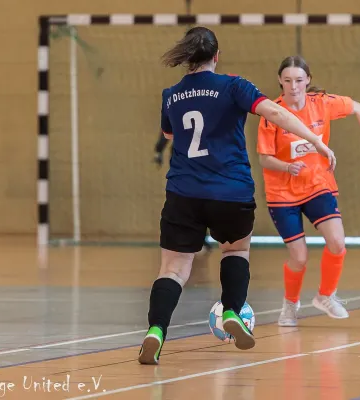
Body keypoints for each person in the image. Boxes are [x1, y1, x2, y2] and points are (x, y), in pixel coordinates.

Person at [138, 28, 338, 365]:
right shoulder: (234, 86)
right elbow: (275, 113)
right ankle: (231, 309)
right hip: (231, 191)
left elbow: (169, 133)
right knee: (236, 250)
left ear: (187, 57)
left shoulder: (171, 94)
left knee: (172, 269)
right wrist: (316, 141)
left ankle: (155, 332)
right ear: (217, 55)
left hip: (183, 193)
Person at [256, 55, 360, 326]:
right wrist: (286, 167)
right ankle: (290, 305)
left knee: (337, 242)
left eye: (299, 80)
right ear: (280, 80)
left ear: (308, 81)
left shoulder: (322, 103)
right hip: (282, 193)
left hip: (317, 184)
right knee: (299, 257)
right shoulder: (272, 114)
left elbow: (359, 108)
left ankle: (326, 295)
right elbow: (264, 159)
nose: (294, 86)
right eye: (288, 80)